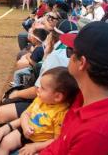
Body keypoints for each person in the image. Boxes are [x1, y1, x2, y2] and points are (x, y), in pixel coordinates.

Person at [0, 67, 78, 155]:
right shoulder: (40, 99)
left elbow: (56, 141)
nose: (38, 89)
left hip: (39, 143)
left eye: (43, 88)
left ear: (58, 97)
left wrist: (36, 147)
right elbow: (26, 113)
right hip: (24, 131)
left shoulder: (61, 114)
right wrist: (24, 127)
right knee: (4, 143)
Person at [41, 22, 108, 154]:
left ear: (82, 63)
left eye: (71, 51)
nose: (69, 56)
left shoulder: (95, 133)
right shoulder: (83, 95)